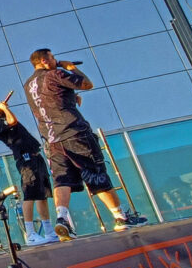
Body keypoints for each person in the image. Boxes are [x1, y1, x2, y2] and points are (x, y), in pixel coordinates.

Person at [23, 49, 147, 240]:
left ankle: (62, 218)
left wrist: (71, 97)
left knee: (62, 179)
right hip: (74, 132)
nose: (56, 60)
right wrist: (72, 68)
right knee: (95, 172)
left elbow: (51, 101)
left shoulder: (28, 84)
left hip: (51, 138)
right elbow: (87, 84)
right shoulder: (55, 73)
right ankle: (120, 216)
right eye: (53, 57)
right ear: (44, 60)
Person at [0, 69, 59, 245]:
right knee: (29, 194)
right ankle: (30, 234)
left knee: (42, 195)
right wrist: (5, 109)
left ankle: (49, 231)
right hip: (25, 159)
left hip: (36, 156)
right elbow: (12, 121)